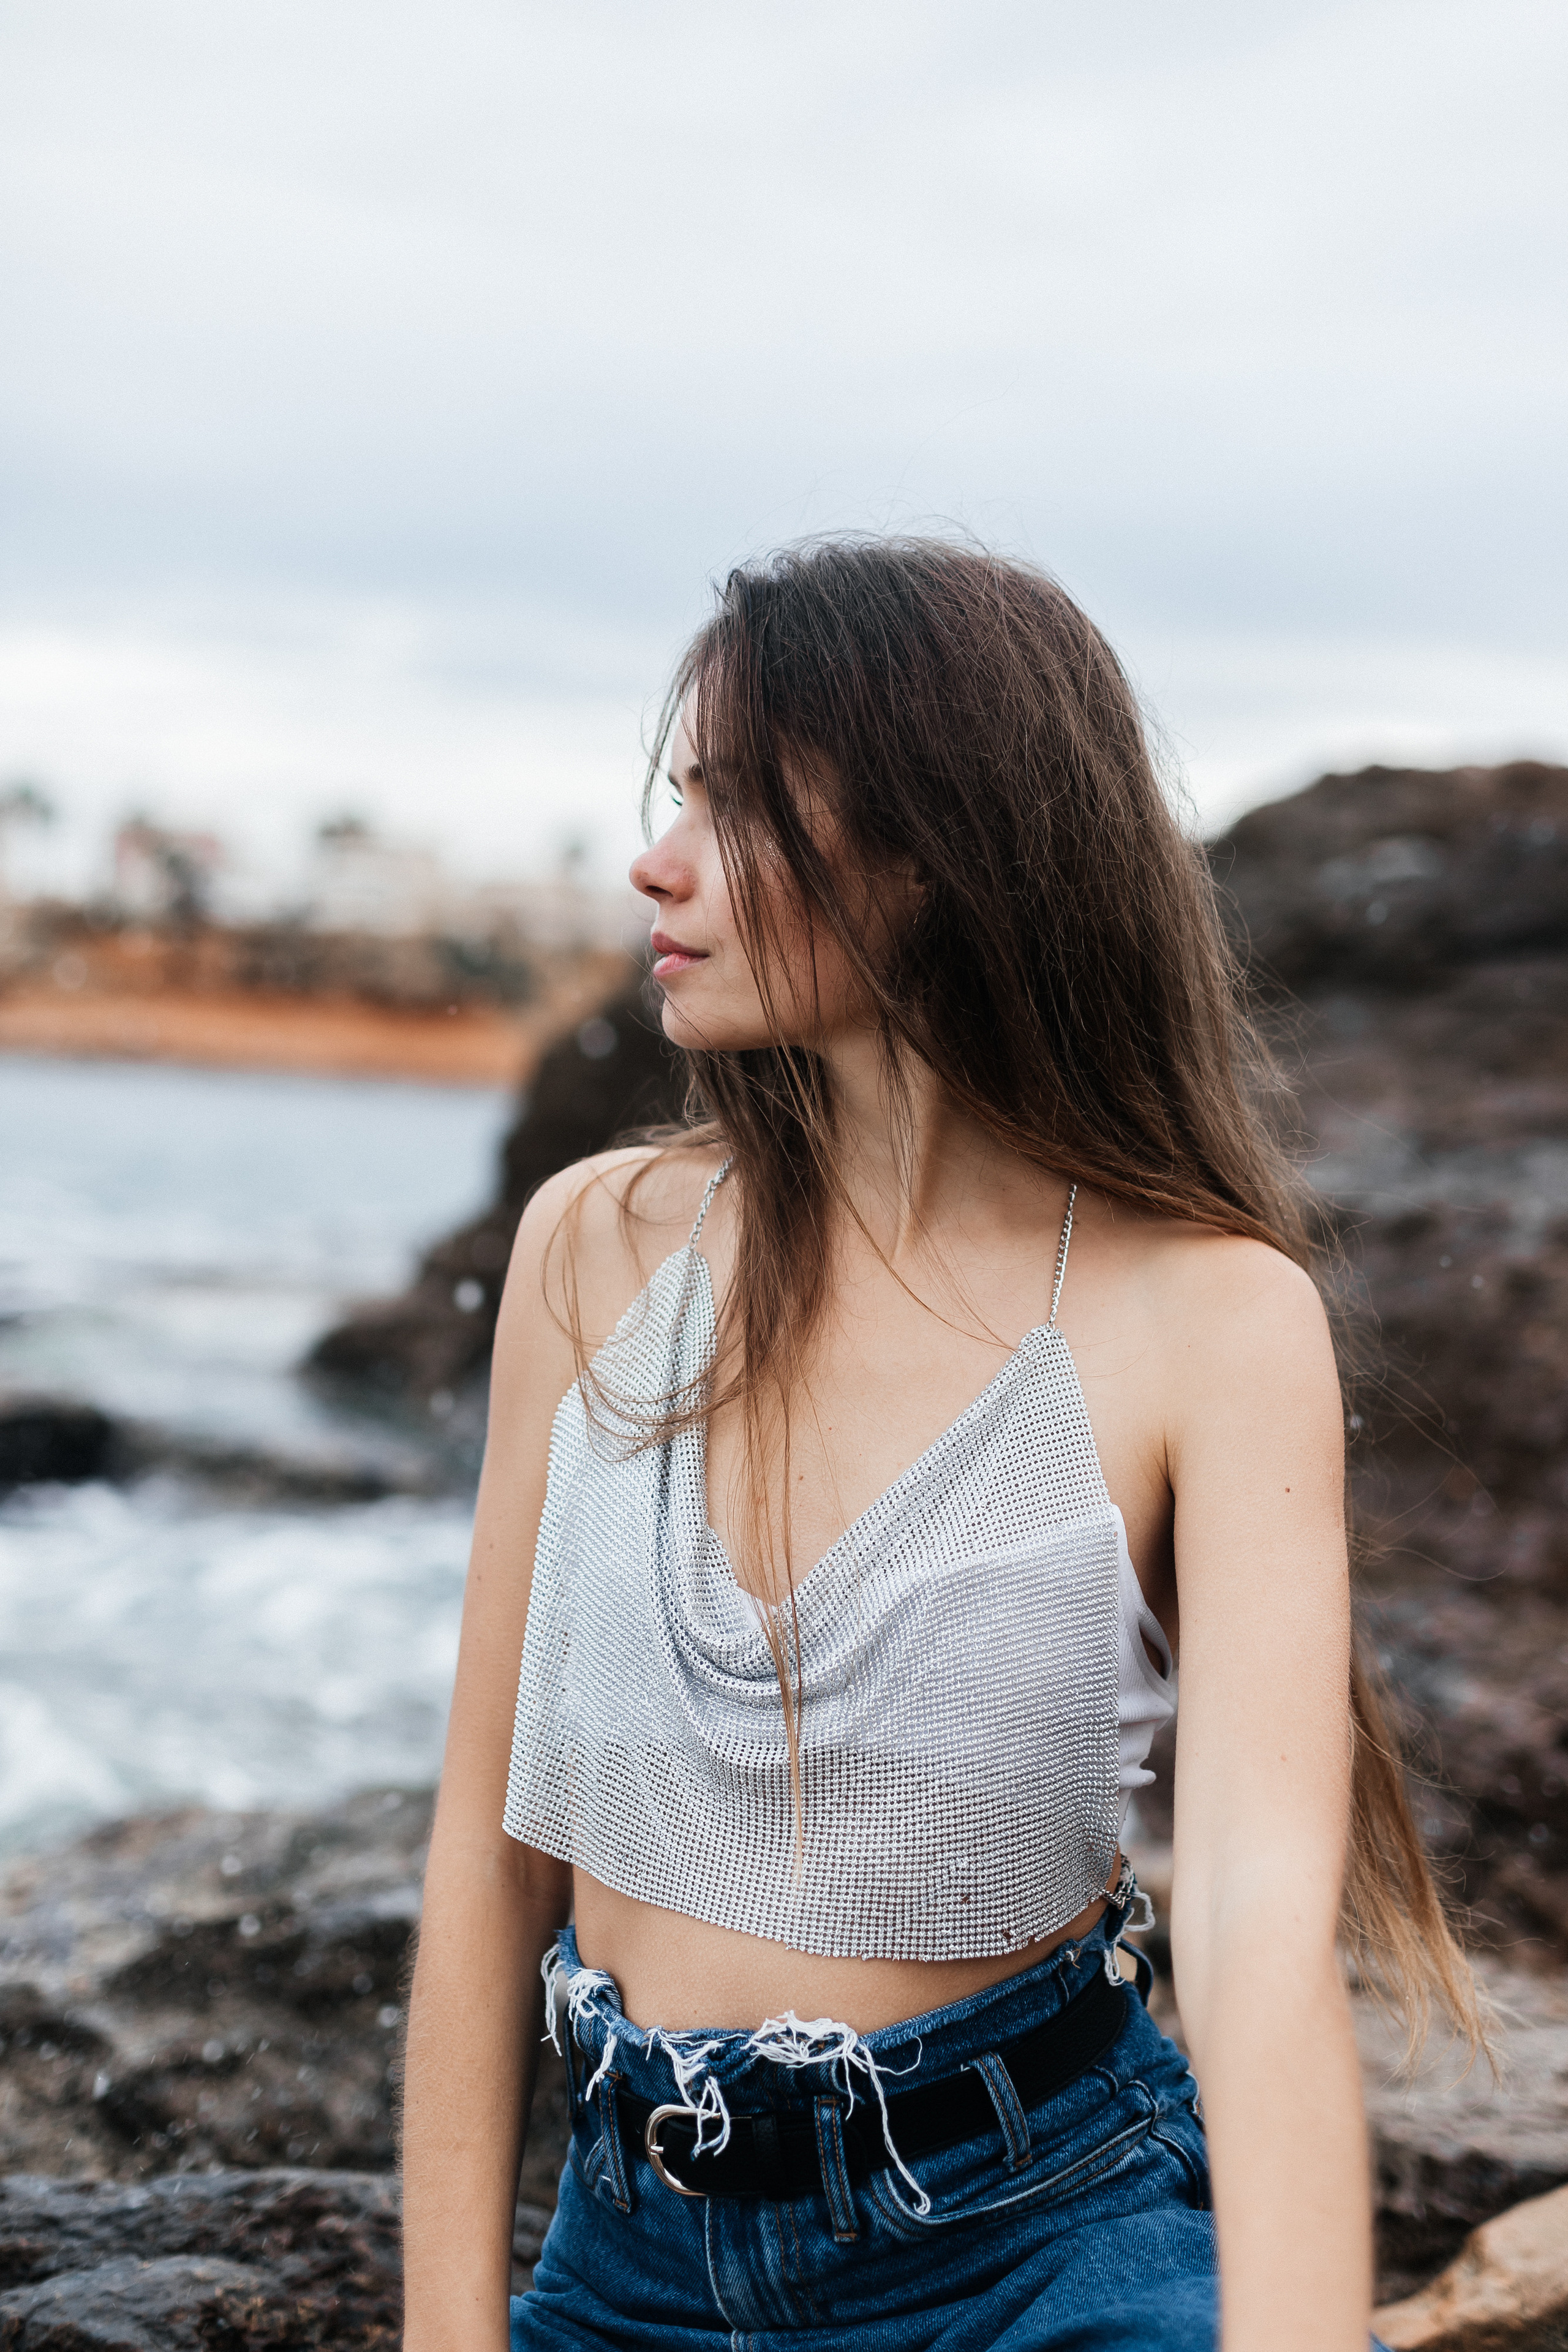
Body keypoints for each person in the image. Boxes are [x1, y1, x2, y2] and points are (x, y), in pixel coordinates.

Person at [401, 539, 1480, 2352]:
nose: (658, 862)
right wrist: (450, 2332)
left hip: (1039, 2246)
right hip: (630, 2260)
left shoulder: (1210, 1317)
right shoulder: (595, 1250)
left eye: (741, 810)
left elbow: (1252, 1927)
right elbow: (483, 1848)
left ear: (934, 856)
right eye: (681, 798)